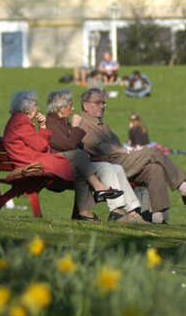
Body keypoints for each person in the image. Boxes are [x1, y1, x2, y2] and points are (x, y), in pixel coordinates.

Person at [73, 88, 186, 224]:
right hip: (107, 165)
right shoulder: (82, 122)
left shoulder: (103, 125)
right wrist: (126, 151)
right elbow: (97, 147)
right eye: (98, 102)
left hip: (119, 162)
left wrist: (126, 151)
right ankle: (184, 188)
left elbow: (113, 147)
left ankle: (158, 216)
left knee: (154, 168)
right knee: (153, 151)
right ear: (85, 105)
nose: (102, 106)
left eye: (104, 103)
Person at [3, 90, 122, 222]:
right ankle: (98, 188)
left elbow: (38, 145)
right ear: (26, 108)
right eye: (36, 105)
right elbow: (41, 146)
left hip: (33, 161)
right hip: (32, 164)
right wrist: (42, 127)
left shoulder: (18, 122)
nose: (38, 108)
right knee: (77, 155)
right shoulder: (21, 123)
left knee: (79, 166)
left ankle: (84, 212)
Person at [45, 89, 146, 224]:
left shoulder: (63, 122)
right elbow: (69, 147)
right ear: (60, 107)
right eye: (70, 105)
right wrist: (75, 126)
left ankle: (133, 212)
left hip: (78, 165)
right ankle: (116, 212)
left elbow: (76, 147)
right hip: (64, 168)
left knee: (114, 168)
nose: (73, 108)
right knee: (107, 168)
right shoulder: (51, 123)